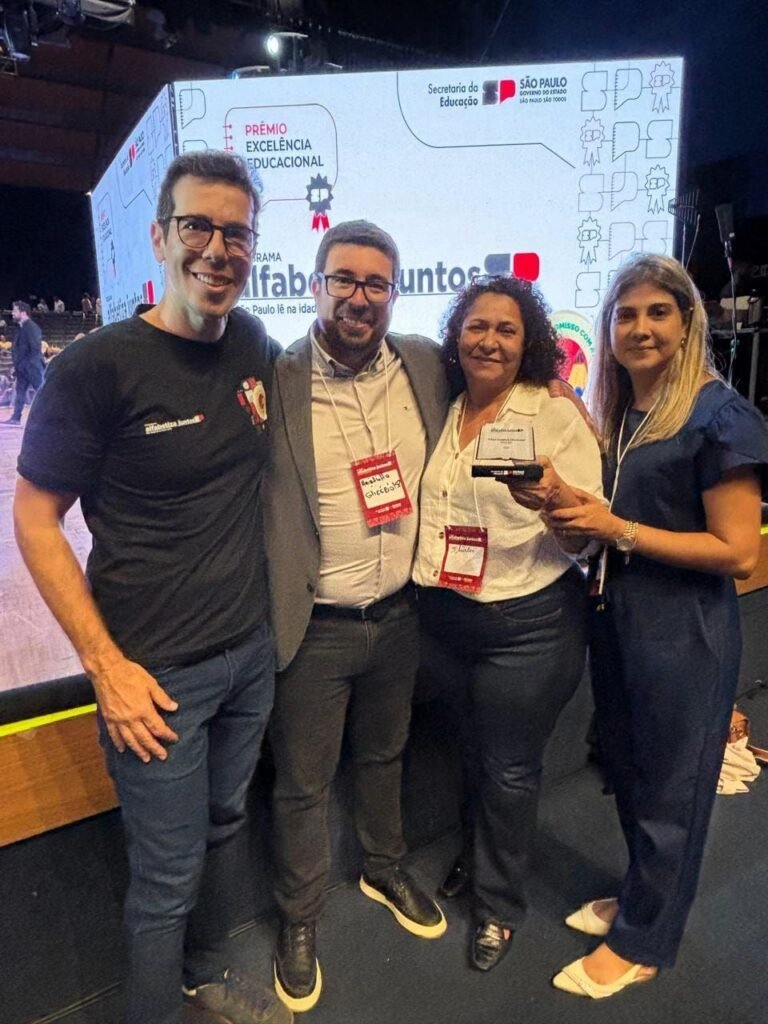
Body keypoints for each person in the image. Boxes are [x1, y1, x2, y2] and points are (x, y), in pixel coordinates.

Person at [13, 151, 291, 1024]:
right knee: (166, 879)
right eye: (197, 226)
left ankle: (205, 977)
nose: (218, 249)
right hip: (154, 680)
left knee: (224, 828)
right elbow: (35, 520)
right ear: (160, 237)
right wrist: (106, 669)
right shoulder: (98, 367)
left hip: (247, 656)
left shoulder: (254, 346)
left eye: (236, 232)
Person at [546, 253, 768, 999]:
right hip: (619, 620)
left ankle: (644, 942)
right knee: (635, 777)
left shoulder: (718, 416)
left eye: (658, 312)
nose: (640, 328)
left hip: (685, 634)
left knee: (674, 794)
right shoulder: (622, 412)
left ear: (687, 321)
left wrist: (619, 529)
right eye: (626, 314)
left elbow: (738, 552)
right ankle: (644, 898)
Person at [264, 220, 449, 1013]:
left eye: (376, 283)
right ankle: (299, 918)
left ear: (394, 294)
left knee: (384, 755)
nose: (359, 296)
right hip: (316, 626)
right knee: (303, 786)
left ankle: (383, 867)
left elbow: (508, 376)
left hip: (402, 616)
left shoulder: (424, 363)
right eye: (343, 279)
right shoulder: (275, 378)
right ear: (315, 286)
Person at [412, 275, 603, 971]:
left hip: (528, 626)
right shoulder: (445, 407)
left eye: (506, 329)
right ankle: (477, 856)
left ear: (530, 344)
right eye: (477, 326)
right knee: (473, 753)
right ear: (456, 334)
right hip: (446, 621)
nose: (489, 340)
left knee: (510, 769)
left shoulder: (551, 415)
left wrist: (553, 497)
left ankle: (498, 907)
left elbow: (587, 533)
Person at [2, 301, 44, 426]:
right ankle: (16, 418)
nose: (12, 313)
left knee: (42, 392)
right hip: (22, 368)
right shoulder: (20, 328)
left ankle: (52, 418)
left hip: (32, 368)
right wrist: (17, 366)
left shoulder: (32, 327)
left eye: (15, 311)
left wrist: (27, 365)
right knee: (20, 392)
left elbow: (35, 349)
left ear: (23, 312)